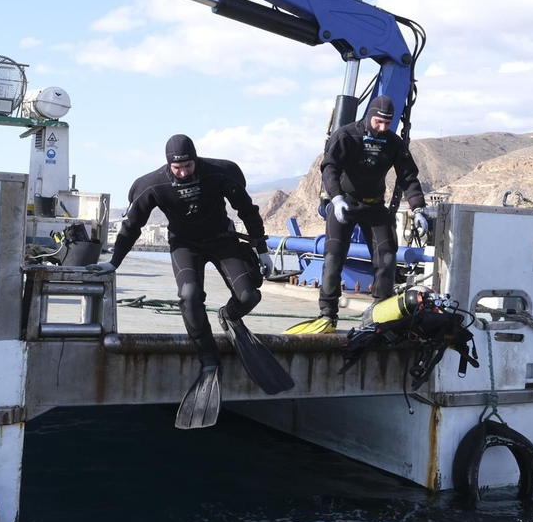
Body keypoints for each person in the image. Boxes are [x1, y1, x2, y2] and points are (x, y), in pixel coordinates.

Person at [94, 134, 291, 427]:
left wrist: (262, 250)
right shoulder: (153, 185)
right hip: (185, 245)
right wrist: (113, 262)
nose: (184, 172)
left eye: (188, 165)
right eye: (178, 168)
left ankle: (229, 316)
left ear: (195, 159)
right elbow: (132, 226)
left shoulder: (218, 173)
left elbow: (247, 210)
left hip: (222, 239)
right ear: (168, 165)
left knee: (250, 296)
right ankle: (209, 361)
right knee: (189, 295)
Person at [289, 95, 428, 334]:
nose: (383, 128)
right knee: (333, 259)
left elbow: (408, 176)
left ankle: (380, 312)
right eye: (378, 122)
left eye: (388, 123)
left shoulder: (393, 142)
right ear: (369, 116)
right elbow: (330, 167)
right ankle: (328, 314)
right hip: (345, 204)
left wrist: (418, 209)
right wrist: (336, 197)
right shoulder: (346, 135)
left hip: (374, 206)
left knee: (387, 258)